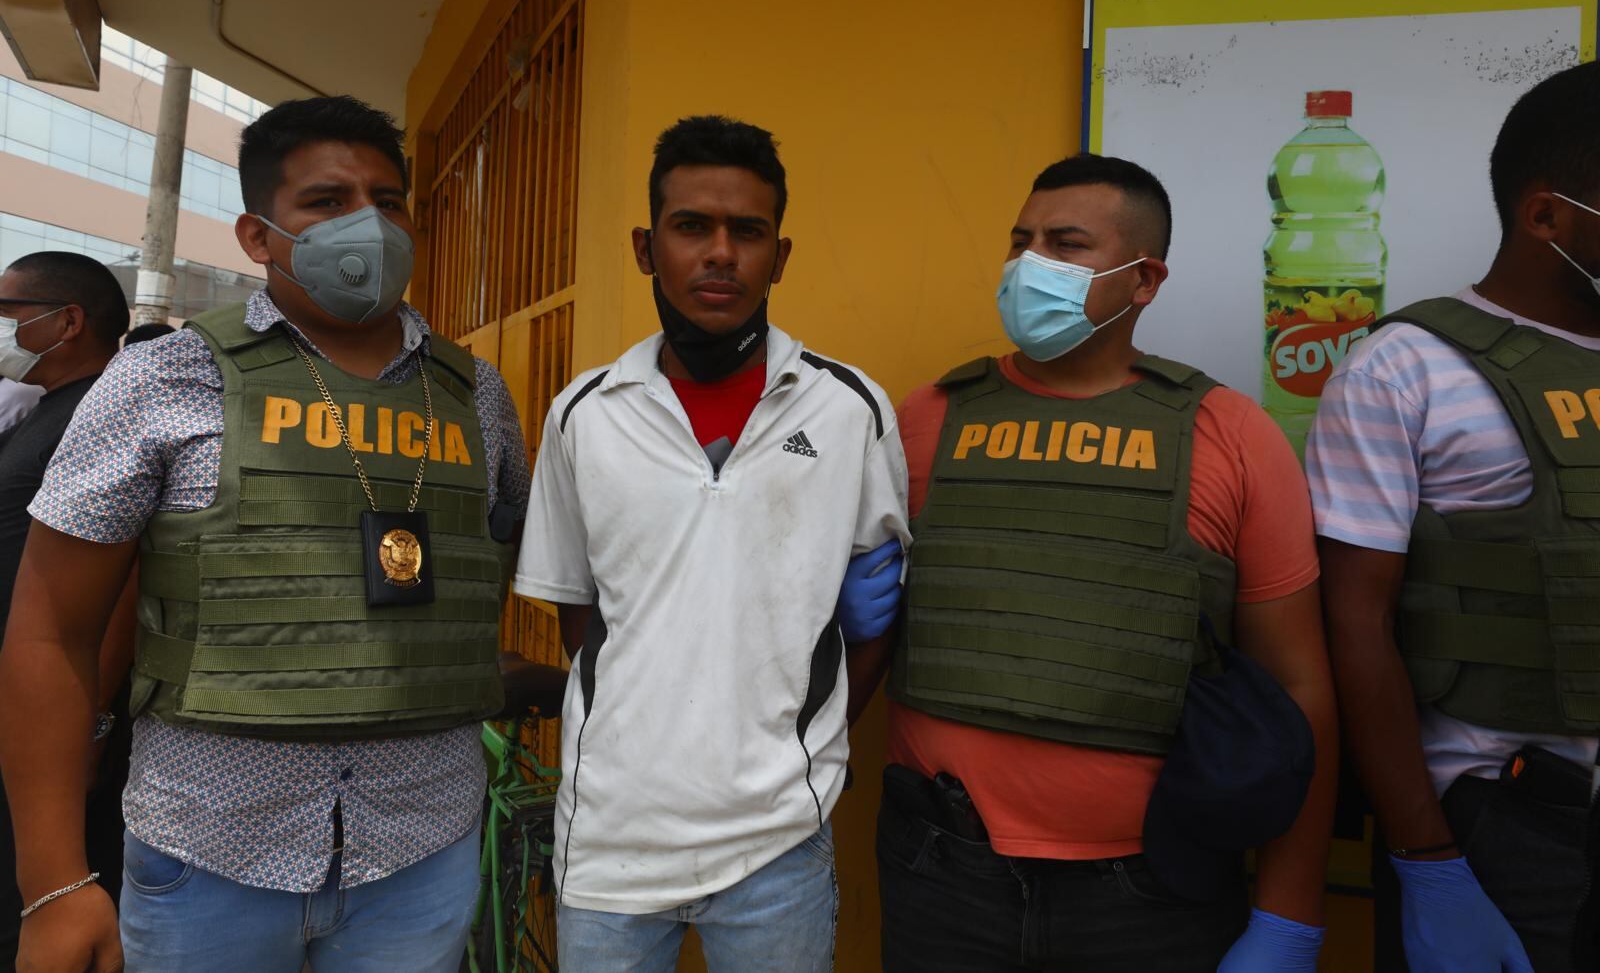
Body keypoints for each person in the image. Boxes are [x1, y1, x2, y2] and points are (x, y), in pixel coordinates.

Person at [0, 95, 531, 973]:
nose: (367, 221)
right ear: (257, 236)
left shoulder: (479, 395)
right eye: (326, 202)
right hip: (209, 854)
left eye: (387, 200)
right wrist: (53, 883)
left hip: (424, 848)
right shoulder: (160, 379)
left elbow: (493, 561)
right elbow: (51, 630)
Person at [857, 153, 1339, 971]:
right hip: (943, 871)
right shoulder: (925, 418)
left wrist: (1291, 911)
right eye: (1021, 240)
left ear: (1142, 278)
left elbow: (1299, 689)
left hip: (1152, 890)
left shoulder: (1231, 434)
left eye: (1065, 243)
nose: (1028, 263)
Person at [514, 114, 909, 973]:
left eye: (748, 231)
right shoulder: (585, 413)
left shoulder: (848, 410)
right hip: (612, 839)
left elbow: (878, 620)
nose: (720, 253)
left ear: (781, 254)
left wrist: (802, 742)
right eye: (692, 226)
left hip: (780, 839)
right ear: (646, 247)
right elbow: (576, 613)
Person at [1309, 62, 1600, 973]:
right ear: (1545, 215)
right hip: (1508, 823)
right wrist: (1427, 857)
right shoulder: (1405, 368)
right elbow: (1354, 625)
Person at [0, 251, 131, 970]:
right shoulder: (43, 410)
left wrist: (92, 722)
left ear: (67, 321)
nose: (5, 328)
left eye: (9, 312)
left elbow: (120, 585)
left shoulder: (98, 415)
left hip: (62, 724)